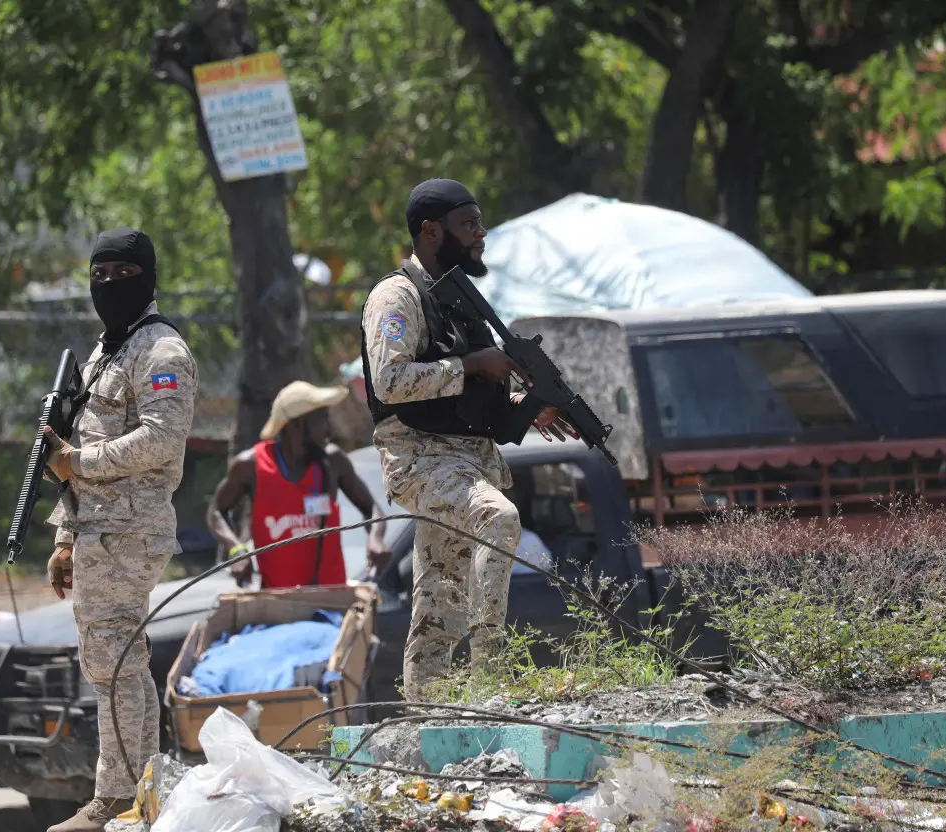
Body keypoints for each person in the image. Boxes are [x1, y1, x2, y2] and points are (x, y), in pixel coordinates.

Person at [360, 178, 577, 700]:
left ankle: (427, 714)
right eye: (469, 225)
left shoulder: (461, 299)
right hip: (421, 460)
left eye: (480, 224)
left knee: (439, 604)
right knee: (499, 519)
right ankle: (491, 675)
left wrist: (529, 408)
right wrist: (469, 364)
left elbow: (477, 408)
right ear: (431, 232)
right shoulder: (397, 297)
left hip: (471, 462)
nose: (481, 236)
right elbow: (390, 381)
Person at [40, 226, 198, 832]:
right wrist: (64, 536)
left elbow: (160, 440)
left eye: (122, 274)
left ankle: (121, 797)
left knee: (116, 662)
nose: (108, 285)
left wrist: (76, 465)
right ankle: (137, 792)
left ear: (148, 276)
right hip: (97, 528)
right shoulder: (110, 349)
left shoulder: (160, 351)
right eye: (98, 274)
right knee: (109, 660)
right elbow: (87, 439)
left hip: (131, 529)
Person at [207, 380, 392, 588]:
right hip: (275, 603)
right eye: (321, 419)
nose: (328, 429)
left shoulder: (332, 462)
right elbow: (216, 512)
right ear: (296, 424)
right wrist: (236, 550)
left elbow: (371, 508)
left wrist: (375, 538)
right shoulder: (250, 466)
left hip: (331, 602)